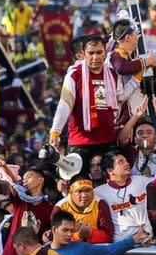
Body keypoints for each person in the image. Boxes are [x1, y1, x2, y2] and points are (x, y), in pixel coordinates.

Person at [49, 36, 124, 166]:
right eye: (91, 53)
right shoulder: (74, 75)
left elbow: (120, 98)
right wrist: (55, 131)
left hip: (108, 139)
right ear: (83, 54)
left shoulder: (113, 74)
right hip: (81, 141)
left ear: (105, 52)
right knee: (80, 184)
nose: (95, 57)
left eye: (99, 52)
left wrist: (137, 78)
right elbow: (64, 105)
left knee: (109, 184)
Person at [48, 210, 150, 255]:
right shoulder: (40, 252)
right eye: (65, 230)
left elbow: (110, 250)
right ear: (54, 230)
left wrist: (135, 239)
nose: (69, 234)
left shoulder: (80, 249)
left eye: (72, 230)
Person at [93, 151, 154, 242]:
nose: (126, 163)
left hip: (147, 243)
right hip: (121, 245)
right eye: (121, 162)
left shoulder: (141, 181)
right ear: (110, 171)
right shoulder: (99, 192)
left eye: (126, 161)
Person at [52, 174, 114, 244]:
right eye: (79, 191)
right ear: (71, 192)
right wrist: (78, 235)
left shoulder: (100, 204)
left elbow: (108, 236)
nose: (84, 195)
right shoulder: (60, 207)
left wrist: (88, 232)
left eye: (88, 190)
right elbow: (56, 237)